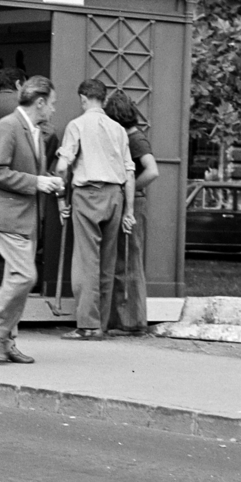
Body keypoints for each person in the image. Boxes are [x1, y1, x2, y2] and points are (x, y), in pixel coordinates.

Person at [0, 76, 65, 364]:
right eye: (51, 104)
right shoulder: (9, 126)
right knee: (25, 276)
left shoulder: (34, 130)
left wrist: (50, 181)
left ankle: (6, 342)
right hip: (7, 217)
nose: (53, 110)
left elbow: (31, 173)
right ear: (39, 103)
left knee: (18, 280)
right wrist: (37, 182)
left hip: (24, 218)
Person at [54, 78, 136, 340]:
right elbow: (129, 173)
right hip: (115, 196)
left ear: (83, 99)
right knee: (107, 261)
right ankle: (100, 324)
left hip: (87, 195)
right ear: (104, 98)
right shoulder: (119, 130)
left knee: (86, 261)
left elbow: (62, 167)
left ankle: (87, 325)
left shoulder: (76, 125)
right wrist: (129, 211)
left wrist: (60, 200)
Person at [103, 89, 158, 335]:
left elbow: (152, 170)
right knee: (124, 259)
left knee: (129, 260)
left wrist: (131, 188)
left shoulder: (135, 139)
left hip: (133, 202)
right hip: (131, 200)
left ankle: (133, 320)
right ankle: (123, 318)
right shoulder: (133, 136)